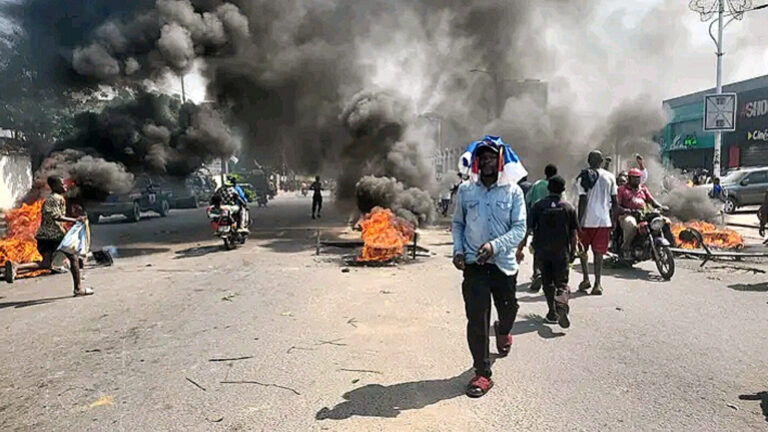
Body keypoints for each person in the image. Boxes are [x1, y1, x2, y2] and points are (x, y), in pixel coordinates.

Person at [452, 141, 526, 398]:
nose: (485, 163)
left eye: (491, 158)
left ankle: (504, 330)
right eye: (481, 158)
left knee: (509, 308)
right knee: (476, 319)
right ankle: (482, 372)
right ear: (476, 162)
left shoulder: (513, 192)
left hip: (503, 265)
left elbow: (519, 228)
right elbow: (458, 224)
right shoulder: (465, 191)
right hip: (474, 265)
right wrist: (458, 251)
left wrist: (494, 246)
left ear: (500, 161)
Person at [4, 176, 92, 296]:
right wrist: (75, 219)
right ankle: (78, 289)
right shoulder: (54, 199)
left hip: (44, 236)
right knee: (73, 258)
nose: (65, 186)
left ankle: (17, 267)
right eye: (62, 184)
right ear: (55, 186)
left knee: (45, 264)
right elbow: (55, 216)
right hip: (53, 236)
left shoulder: (56, 198)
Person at [518, 175, 579, 327]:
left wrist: (521, 246)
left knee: (547, 281)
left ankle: (552, 312)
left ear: (548, 189)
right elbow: (574, 234)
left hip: (542, 251)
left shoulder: (538, 206)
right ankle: (562, 303)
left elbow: (528, 228)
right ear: (563, 190)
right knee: (562, 282)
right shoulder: (568, 207)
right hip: (561, 251)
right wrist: (573, 251)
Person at [576, 150, 618, 296]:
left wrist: (578, 221)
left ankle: (586, 278)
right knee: (598, 254)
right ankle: (597, 284)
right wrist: (613, 220)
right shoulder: (610, 177)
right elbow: (615, 202)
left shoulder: (583, 177)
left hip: (587, 221)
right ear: (601, 161)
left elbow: (582, 201)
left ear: (588, 161)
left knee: (583, 250)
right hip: (603, 221)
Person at [522, 164, 558, 293]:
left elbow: (528, 200)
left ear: (545, 173)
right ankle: (551, 275)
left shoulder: (537, 184)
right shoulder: (557, 185)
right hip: (554, 222)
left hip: (539, 219)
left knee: (537, 247)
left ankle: (537, 273)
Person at [616, 169, 668, 256]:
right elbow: (617, 205)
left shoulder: (643, 189)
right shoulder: (622, 190)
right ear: (629, 178)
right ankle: (625, 247)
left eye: (638, 178)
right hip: (627, 215)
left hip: (642, 215)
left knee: (659, 221)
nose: (637, 180)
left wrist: (661, 206)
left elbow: (652, 201)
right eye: (634, 178)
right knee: (631, 225)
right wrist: (626, 210)